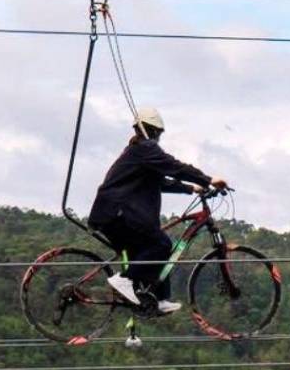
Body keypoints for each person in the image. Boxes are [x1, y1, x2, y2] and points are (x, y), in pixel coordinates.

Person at [88, 107, 227, 313]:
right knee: (161, 244)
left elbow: (160, 182)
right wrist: (208, 179)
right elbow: (174, 166)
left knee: (154, 250)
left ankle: (158, 298)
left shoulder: (140, 152)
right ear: (151, 131)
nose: (158, 138)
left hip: (112, 213)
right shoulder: (144, 149)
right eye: (157, 133)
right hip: (116, 213)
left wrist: (192, 188)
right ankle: (124, 280)